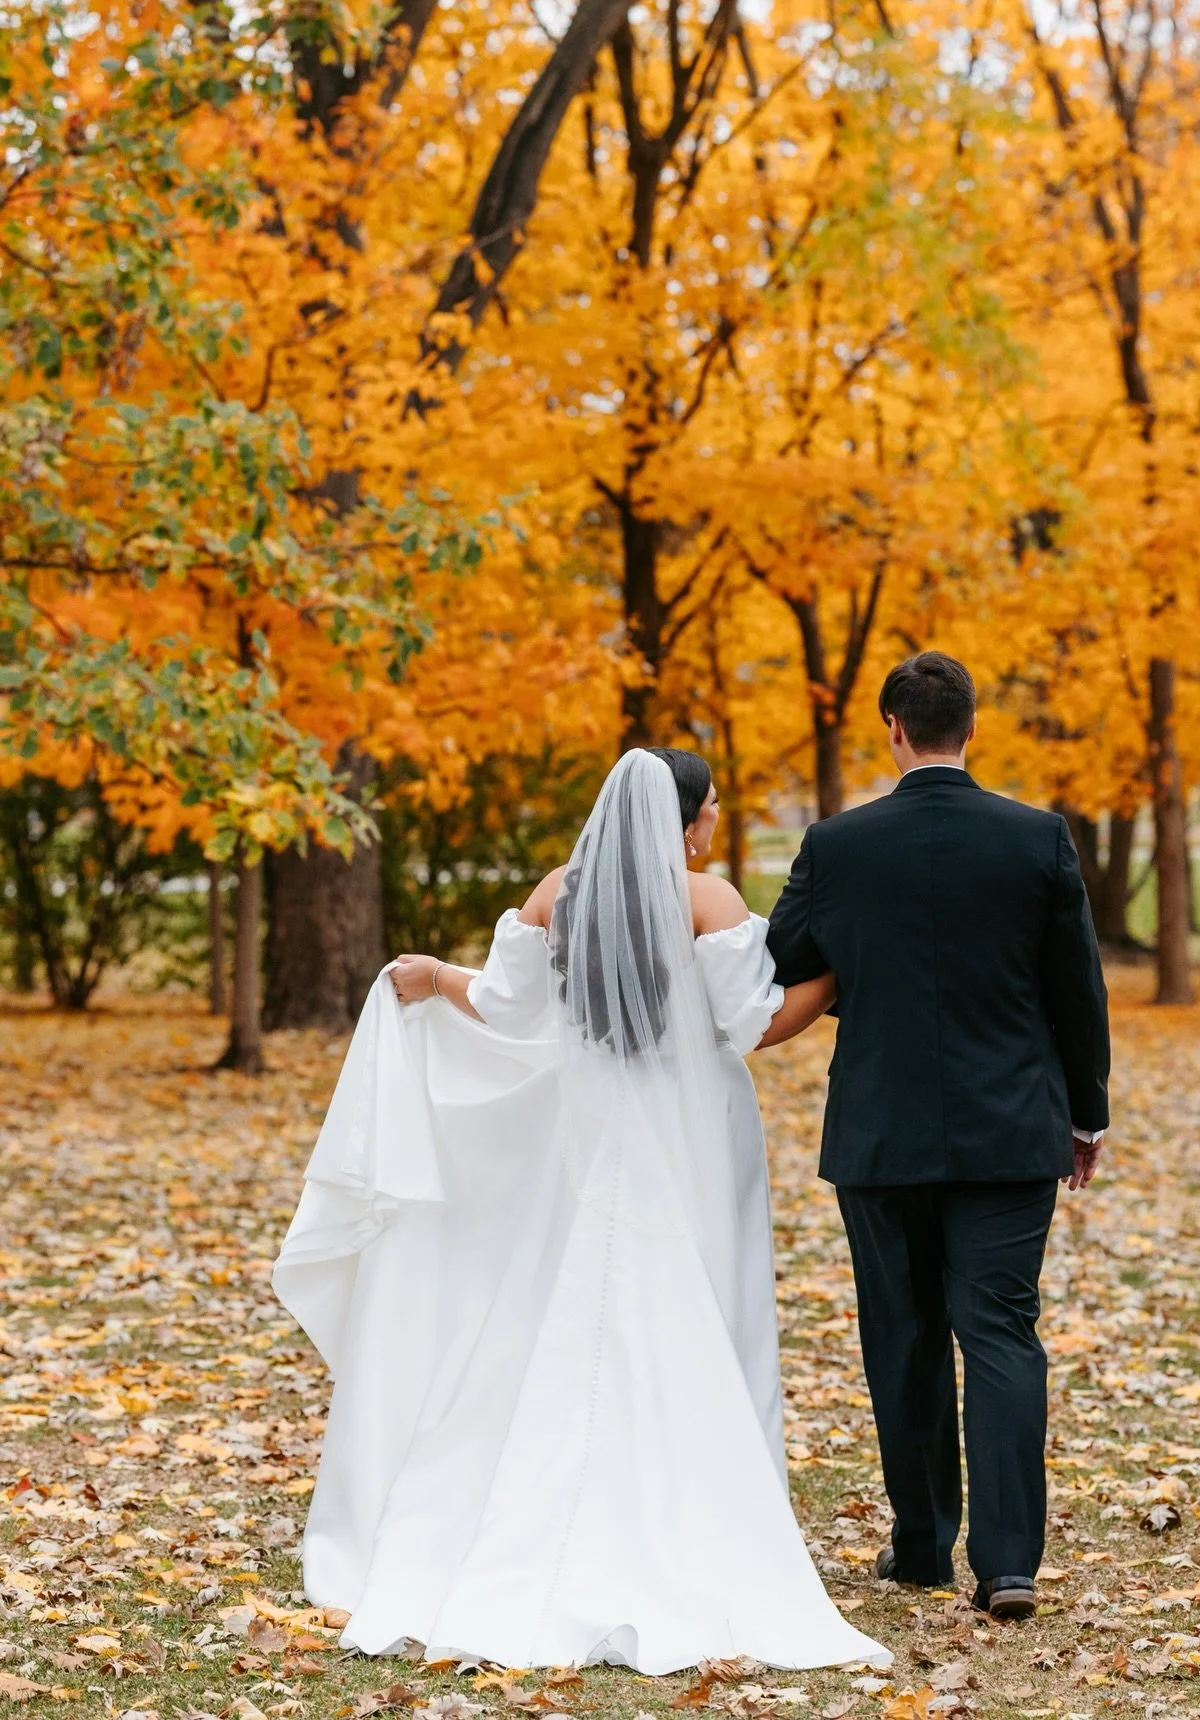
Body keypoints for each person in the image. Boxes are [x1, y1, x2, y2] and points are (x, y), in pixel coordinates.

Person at [272, 747, 889, 1675]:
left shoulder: (559, 891)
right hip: (693, 1138)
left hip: (589, 1134)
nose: (716, 821)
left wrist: (435, 976)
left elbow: (511, 1009)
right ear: (682, 820)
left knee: (574, 1310)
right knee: (693, 1308)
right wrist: (843, 974)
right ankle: (699, 1513)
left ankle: (512, 1520)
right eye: (713, 807)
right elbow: (755, 1023)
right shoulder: (707, 898)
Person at [766, 651, 1111, 1620]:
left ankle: (919, 1547)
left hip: (880, 1133)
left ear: (892, 730)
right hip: (1011, 1128)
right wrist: (1085, 1111)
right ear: (971, 727)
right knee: (1000, 1330)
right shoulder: (1035, 839)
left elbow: (782, 959)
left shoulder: (836, 847)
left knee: (904, 1335)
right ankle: (1006, 1567)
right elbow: (1075, 989)